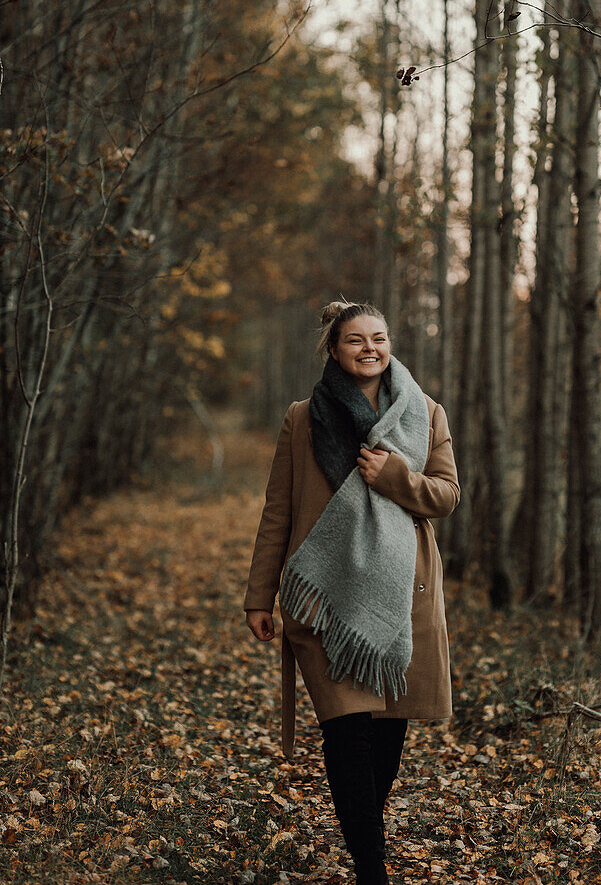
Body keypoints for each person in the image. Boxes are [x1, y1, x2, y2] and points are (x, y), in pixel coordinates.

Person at [244, 300, 460, 884]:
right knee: (347, 733)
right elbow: (278, 513)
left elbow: (445, 495)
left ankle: (364, 839)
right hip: (325, 599)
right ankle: (372, 867)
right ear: (334, 351)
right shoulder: (301, 418)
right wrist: (259, 596)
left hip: (402, 597)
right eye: (356, 340)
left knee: (386, 742)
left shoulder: (424, 412)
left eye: (380, 338)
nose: (371, 349)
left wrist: (394, 477)